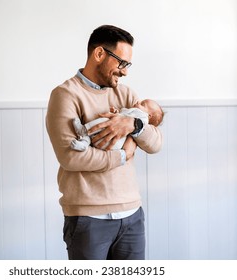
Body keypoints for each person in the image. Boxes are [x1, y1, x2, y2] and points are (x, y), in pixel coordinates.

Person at [46, 25, 163, 260]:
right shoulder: (65, 95)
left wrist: (133, 126)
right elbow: (72, 157)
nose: (125, 72)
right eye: (122, 63)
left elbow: (155, 143)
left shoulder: (126, 94)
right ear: (99, 54)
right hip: (88, 219)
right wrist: (123, 155)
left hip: (131, 216)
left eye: (128, 65)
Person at [71, 99, 164, 151]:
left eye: (142, 104)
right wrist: (117, 112)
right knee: (92, 136)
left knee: (104, 120)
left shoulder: (141, 116)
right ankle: (84, 144)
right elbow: (122, 116)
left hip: (113, 141)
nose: (138, 102)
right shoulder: (137, 111)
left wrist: (134, 124)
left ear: (149, 115)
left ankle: (83, 130)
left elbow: (155, 145)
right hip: (113, 146)